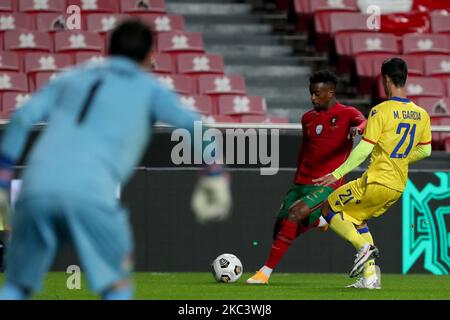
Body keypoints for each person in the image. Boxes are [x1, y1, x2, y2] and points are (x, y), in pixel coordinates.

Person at [0, 20, 231, 300]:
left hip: (35, 188)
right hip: (91, 191)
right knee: (116, 288)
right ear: (149, 55)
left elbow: (22, 117)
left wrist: (3, 177)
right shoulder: (149, 89)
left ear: (109, 49)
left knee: (17, 286)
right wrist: (214, 176)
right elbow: (196, 127)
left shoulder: (70, 77)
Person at [313, 58, 432, 289]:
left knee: (328, 207)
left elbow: (365, 149)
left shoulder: (380, 110)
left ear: (385, 79)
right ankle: (370, 278)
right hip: (397, 187)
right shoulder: (422, 114)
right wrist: (400, 157)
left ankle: (363, 247)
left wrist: (337, 173)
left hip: (376, 180)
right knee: (358, 218)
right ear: (404, 78)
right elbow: (426, 150)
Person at [246, 70, 367, 285]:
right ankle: (319, 220)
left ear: (330, 92)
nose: (313, 98)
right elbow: (305, 151)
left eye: (317, 94)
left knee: (295, 214)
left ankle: (264, 273)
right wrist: (297, 180)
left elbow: (364, 122)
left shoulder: (348, 113)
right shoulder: (307, 118)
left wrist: (358, 130)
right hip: (302, 182)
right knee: (279, 230)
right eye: (311, 93)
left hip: (328, 183)